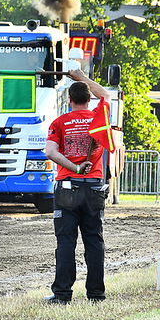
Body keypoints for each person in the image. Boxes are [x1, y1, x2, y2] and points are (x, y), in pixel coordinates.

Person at [44, 69, 111, 305]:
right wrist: (82, 77)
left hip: (67, 187)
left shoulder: (59, 122)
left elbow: (50, 152)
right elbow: (106, 94)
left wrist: (73, 167)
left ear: (69, 100)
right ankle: (96, 294)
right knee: (94, 242)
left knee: (65, 243)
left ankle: (62, 295)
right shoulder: (99, 117)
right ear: (88, 99)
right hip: (94, 186)